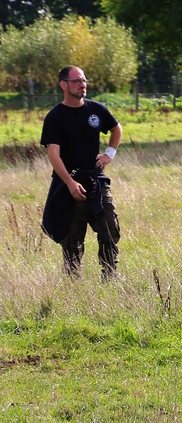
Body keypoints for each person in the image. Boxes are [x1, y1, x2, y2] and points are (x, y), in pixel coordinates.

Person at [40, 66, 123, 281]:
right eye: (77, 81)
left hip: (95, 181)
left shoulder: (96, 110)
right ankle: (72, 281)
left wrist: (109, 154)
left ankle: (110, 277)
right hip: (69, 184)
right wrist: (69, 183)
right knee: (72, 238)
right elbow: (54, 155)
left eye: (84, 80)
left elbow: (116, 128)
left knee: (109, 228)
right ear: (64, 85)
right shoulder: (55, 117)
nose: (82, 85)